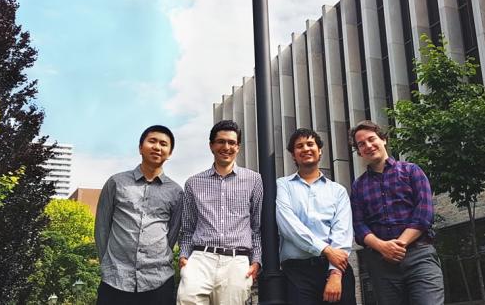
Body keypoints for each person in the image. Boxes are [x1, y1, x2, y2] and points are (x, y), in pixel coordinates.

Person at [349, 120, 444, 305]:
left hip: (419, 256)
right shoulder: (358, 186)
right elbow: (359, 226)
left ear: (383, 139)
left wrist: (397, 246)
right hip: (381, 263)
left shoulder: (411, 171)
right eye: (361, 144)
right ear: (359, 152)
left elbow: (424, 214)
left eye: (371, 139)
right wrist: (382, 247)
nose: (368, 146)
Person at [94, 125, 183, 305]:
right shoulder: (116, 182)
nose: (157, 147)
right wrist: (107, 264)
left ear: (169, 153)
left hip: (159, 280)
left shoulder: (176, 192)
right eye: (152, 141)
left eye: (164, 144)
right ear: (140, 147)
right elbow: (102, 227)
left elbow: (172, 234)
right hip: (115, 278)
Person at [177, 120, 263, 305]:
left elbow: (256, 227)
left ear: (238, 147)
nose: (226, 147)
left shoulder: (254, 180)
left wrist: (256, 260)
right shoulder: (193, 183)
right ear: (211, 146)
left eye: (232, 143)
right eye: (221, 141)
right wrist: (184, 257)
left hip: (237, 260)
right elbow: (187, 227)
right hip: (200, 258)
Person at [276, 128, 357, 305]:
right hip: (297, 273)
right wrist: (326, 250)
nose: (305, 149)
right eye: (299, 146)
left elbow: (342, 232)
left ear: (319, 150)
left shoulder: (338, 191)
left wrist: (335, 274)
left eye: (310, 144)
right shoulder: (282, 185)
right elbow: (288, 225)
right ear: (293, 155)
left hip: (334, 269)